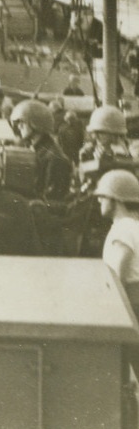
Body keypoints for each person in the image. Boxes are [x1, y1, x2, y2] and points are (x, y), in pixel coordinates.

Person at [9, 99, 73, 201]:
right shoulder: (35, 149)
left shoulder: (54, 158)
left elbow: (52, 200)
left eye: (22, 122)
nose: (19, 126)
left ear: (36, 124)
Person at [96, 170, 139, 319]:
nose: (99, 200)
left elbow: (118, 276)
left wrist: (110, 309)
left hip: (130, 303)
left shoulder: (122, 229)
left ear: (117, 199)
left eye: (103, 196)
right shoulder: (134, 226)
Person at [80, 104, 134, 191]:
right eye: (94, 132)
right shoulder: (89, 150)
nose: (95, 136)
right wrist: (94, 163)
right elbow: (83, 175)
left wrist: (109, 163)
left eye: (100, 132)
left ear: (115, 134)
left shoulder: (128, 152)